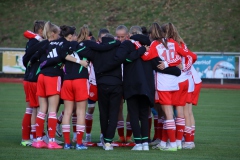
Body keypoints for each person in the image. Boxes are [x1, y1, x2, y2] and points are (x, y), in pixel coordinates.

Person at [30, 21, 88, 149]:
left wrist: (36, 65)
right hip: (53, 77)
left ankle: (38, 140)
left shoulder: (46, 44)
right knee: (52, 110)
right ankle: (51, 141)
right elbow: (64, 55)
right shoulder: (63, 43)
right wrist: (80, 62)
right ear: (54, 33)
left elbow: (34, 57)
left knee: (42, 110)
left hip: (41, 76)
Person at [141, 22, 196, 151]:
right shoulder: (172, 42)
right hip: (177, 82)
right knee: (180, 113)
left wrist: (143, 50)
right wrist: (172, 64)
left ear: (152, 34)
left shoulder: (155, 44)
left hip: (164, 83)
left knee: (168, 114)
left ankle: (171, 145)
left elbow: (146, 58)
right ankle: (177, 142)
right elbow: (183, 57)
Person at [70, 25, 121, 150]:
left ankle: (103, 138)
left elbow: (80, 50)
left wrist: (87, 43)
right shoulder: (118, 48)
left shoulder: (96, 52)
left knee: (103, 113)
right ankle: (108, 141)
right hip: (116, 84)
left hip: (102, 84)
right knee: (114, 113)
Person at [161, 22, 197, 150]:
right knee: (186, 112)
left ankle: (180, 141)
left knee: (174, 113)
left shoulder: (170, 44)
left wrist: (183, 68)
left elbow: (191, 57)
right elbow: (191, 57)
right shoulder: (181, 43)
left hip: (178, 80)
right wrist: (186, 69)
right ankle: (187, 140)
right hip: (187, 80)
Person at [21, 20, 45, 147]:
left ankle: (27, 137)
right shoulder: (38, 42)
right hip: (34, 79)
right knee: (37, 109)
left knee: (30, 109)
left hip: (27, 78)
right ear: (41, 30)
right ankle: (36, 137)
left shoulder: (32, 40)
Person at [84, 28, 110, 143]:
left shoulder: (110, 49)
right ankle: (88, 136)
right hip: (93, 83)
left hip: (105, 83)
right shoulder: (94, 48)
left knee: (104, 111)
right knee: (90, 109)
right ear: (99, 39)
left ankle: (102, 136)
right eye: (102, 38)